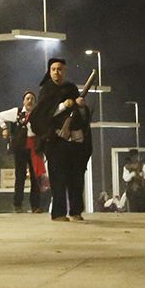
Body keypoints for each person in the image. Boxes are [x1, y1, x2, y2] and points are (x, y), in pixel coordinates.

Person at [34, 58, 90, 220]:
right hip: (56, 141)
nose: (56, 72)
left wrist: (80, 106)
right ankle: (58, 213)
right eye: (53, 69)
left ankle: (76, 211)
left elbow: (82, 115)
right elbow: (43, 115)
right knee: (58, 178)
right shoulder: (46, 90)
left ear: (64, 71)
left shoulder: (71, 88)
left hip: (74, 142)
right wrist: (64, 106)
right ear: (49, 71)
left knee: (76, 177)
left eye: (59, 69)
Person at [0, 91, 46, 213]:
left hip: (35, 148)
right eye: (27, 98)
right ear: (23, 101)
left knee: (35, 178)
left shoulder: (38, 114)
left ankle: (35, 206)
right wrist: (4, 128)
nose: (30, 101)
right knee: (20, 176)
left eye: (32, 99)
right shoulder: (16, 112)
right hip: (21, 148)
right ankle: (18, 204)